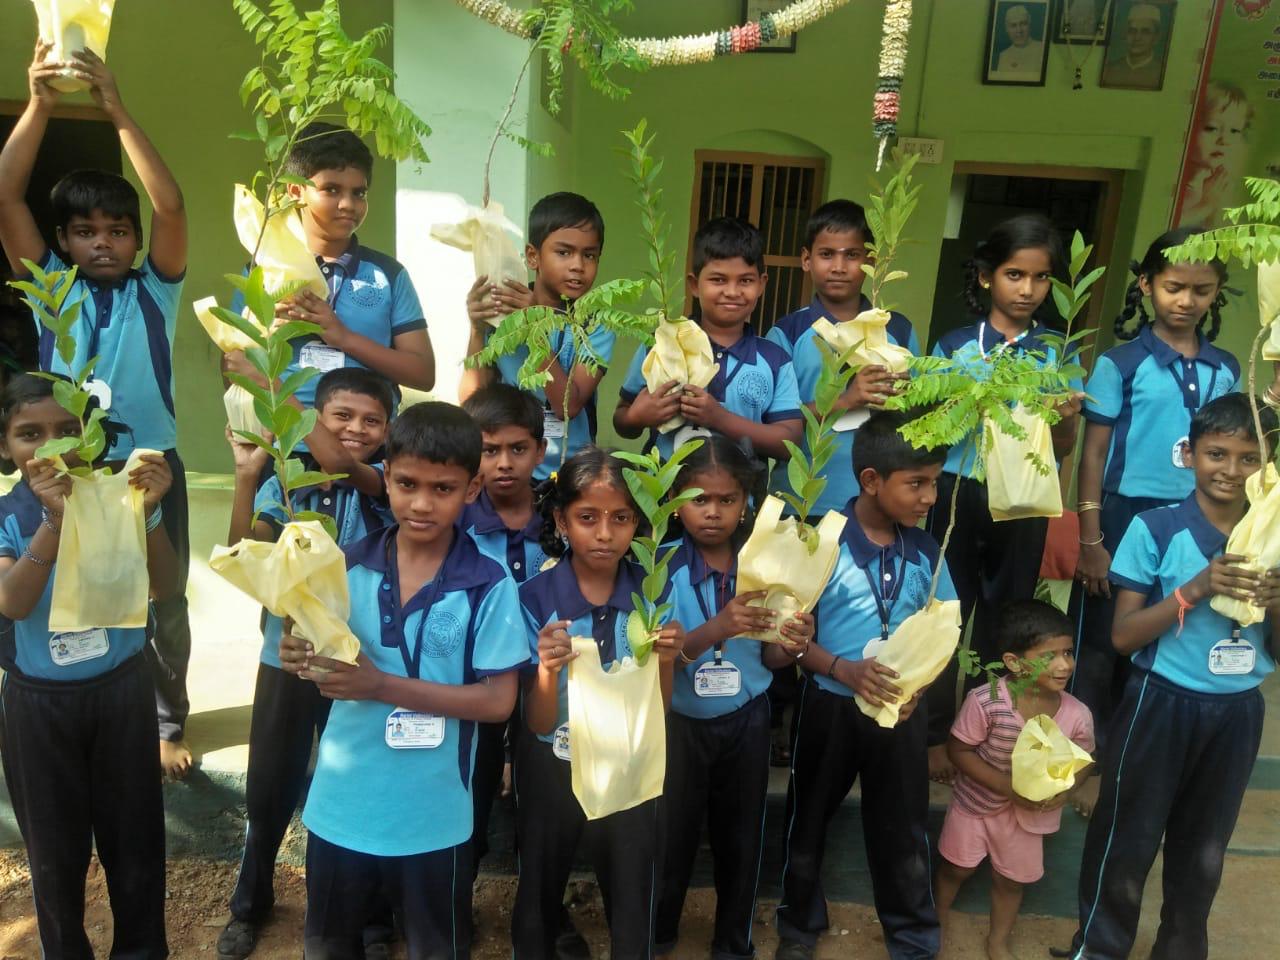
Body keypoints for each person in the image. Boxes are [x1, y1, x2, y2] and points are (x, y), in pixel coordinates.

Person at [0, 42, 195, 778]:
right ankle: (82, 701)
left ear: (136, 240)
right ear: (63, 242)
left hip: (150, 470)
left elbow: (171, 203)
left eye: (118, 230)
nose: (103, 242)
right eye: (86, 231)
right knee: (73, 586)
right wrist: (43, 104)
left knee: (162, 598)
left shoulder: (158, 288)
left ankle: (167, 721)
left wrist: (114, 108)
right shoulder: (53, 288)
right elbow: (5, 196)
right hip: (71, 468)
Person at [279, 401, 529, 960]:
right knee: (329, 944)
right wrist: (299, 652)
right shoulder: (342, 568)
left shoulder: (489, 586)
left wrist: (380, 686)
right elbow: (319, 658)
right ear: (384, 477)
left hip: (434, 813)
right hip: (342, 805)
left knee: (433, 945)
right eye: (407, 483)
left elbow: (497, 703)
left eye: (442, 488)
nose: (421, 503)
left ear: (470, 490)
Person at [1065, 393, 1278, 960]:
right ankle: (1100, 946)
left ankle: (1181, 950)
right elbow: (1122, 636)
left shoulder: (1273, 536)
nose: (1231, 471)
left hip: (1236, 711)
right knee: (1126, 837)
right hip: (1158, 703)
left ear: (1270, 461)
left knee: (1203, 848)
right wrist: (1196, 589)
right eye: (1216, 454)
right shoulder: (1154, 528)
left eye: (1249, 458)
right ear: (1190, 454)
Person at [1070, 228, 1252, 817]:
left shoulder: (1226, 369)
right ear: (1146, 286)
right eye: (1174, 287)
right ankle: (1078, 768)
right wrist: (1091, 536)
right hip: (1125, 516)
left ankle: (1135, 764)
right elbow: (1093, 453)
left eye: (1202, 290)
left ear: (1217, 294)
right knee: (1102, 647)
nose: (1186, 300)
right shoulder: (1119, 364)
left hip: (1196, 521)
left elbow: (1239, 448)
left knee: (1168, 641)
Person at [217, 367, 396, 960]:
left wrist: (274, 391)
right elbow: (250, 557)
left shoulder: (388, 484)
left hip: (356, 665)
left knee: (361, 782)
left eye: (372, 420)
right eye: (340, 416)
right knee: (270, 785)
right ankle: (251, 903)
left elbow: (351, 469)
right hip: (285, 659)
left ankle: (372, 918)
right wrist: (248, 477)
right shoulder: (287, 480)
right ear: (317, 420)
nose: (356, 429)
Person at [0, 373, 178, 957]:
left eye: (67, 430)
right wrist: (52, 521)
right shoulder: (8, 514)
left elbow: (167, 589)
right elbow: (13, 601)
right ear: (6, 446)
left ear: (91, 435)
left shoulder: (116, 495)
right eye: (30, 434)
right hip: (39, 705)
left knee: (136, 846)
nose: (50, 446)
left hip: (121, 693)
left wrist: (150, 513)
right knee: (54, 855)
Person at [774, 410, 955, 960]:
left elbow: (944, 624)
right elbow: (789, 636)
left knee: (902, 829)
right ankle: (799, 927)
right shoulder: (819, 541)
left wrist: (917, 688)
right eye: (916, 483)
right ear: (871, 480)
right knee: (808, 819)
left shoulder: (926, 550)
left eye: (935, 483)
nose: (929, 497)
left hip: (900, 712)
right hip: (829, 705)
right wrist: (842, 669)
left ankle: (912, 937)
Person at [924, 215, 1083, 783]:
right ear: (988, 276)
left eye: (1041, 278)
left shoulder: (1057, 352)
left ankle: (994, 729)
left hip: (1025, 502)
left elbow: (1063, 446)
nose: (1027, 289)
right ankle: (938, 735)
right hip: (959, 492)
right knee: (947, 612)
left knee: (1007, 618)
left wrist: (1065, 422)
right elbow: (936, 428)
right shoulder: (956, 345)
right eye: (1015, 274)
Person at [511, 447, 686, 960]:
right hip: (553, 760)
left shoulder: (653, 595)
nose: (605, 534)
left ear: (640, 523)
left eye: (621, 518)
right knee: (541, 878)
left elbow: (661, 710)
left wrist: (668, 660)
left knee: (632, 881)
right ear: (562, 520)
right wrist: (547, 669)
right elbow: (536, 721)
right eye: (588, 518)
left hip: (628, 760)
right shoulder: (533, 598)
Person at [656, 435, 813, 959]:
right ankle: (657, 936)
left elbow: (769, 659)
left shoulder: (763, 569)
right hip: (677, 721)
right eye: (699, 499)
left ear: (746, 503)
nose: (713, 513)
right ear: (676, 502)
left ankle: (733, 942)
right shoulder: (659, 569)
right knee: (671, 837)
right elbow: (651, 660)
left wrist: (792, 647)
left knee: (740, 839)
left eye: (727, 500)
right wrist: (716, 627)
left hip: (747, 718)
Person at [226, 121, 435, 409]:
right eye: (332, 190)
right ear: (295, 191)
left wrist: (342, 336)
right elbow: (232, 372)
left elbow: (423, 374)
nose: (348, 204)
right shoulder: (265, 270)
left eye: (359, 193)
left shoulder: (387, 274)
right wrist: (262, 331)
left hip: (370, 448)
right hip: (285, 443)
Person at [934, 600, 1095, 960]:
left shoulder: (1076, 715)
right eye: (1049, 655)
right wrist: (1009, 787)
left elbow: (1084, 758)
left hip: (1030, 819)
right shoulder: (987, 702)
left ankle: (998, 941)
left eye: (1068, 652)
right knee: (956, 869)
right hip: (975, 807)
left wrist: (1067, 789)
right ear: (1013, 663)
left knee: (1010, 881)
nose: (1064, 664)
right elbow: (958, 752)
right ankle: (935, 922)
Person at [767, 199, 920, 514]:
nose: (839, 267)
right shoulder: (788, 334)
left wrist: (903, 398)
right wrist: (846, 401)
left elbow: (918, 416)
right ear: (807, 260)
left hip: (876, 504)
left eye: (852, 255)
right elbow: (774, 426)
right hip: (800, 500)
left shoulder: (898, 331)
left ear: (871, 261)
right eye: (826, 255)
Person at [615, 217, 803, 463]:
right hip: (662, 497)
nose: (732, 291)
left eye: (745, 280)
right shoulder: (662, 344)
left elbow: (789, 443)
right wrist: (637, 417)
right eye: (718, 280)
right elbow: (622, 419)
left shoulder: (774, 359)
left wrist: (720, 418)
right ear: (694, 285)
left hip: (739, 500)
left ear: (761, 284)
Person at [459, 383, 548, 884]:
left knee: (543, 795)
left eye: (518, 449)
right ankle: (457, 903)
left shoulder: (560, 516)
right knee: (472, 789)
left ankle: (540, 912)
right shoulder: (459, 521)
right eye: (489, 450)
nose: (504, 463)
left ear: (540, 449)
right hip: (480, 678)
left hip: (545, 678)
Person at [462, 193, 612, 478]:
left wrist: (535, 329)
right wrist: (476, 329)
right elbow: (470, 402)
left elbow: (567, 405)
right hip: (508, 473)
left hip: (573, 474)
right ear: (533, 256)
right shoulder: (505, 312)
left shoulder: (597, 323)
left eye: (589, 255)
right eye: (564, 252)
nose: (578, 265)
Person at [1178, 83, 1252, 227]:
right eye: (1212, 128)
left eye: (1235, 131)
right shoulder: (1174, 179)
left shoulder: (1221, 184)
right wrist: (1206, 206)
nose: (1225, 140)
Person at [1100, 2, 1166, 89]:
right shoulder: (1111, 68)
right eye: (1132, 31)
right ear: (1125, 35)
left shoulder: (1160, 70)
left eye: (1145, 32)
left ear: (1156, 38)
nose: (1137, 38)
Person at [994, 4, 1044, 79]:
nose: (1019, 30)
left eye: (1023, 24)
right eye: (1013, 25)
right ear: (1007, 29)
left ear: (1029, 24)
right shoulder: (1003, 56)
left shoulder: (1042, 49)